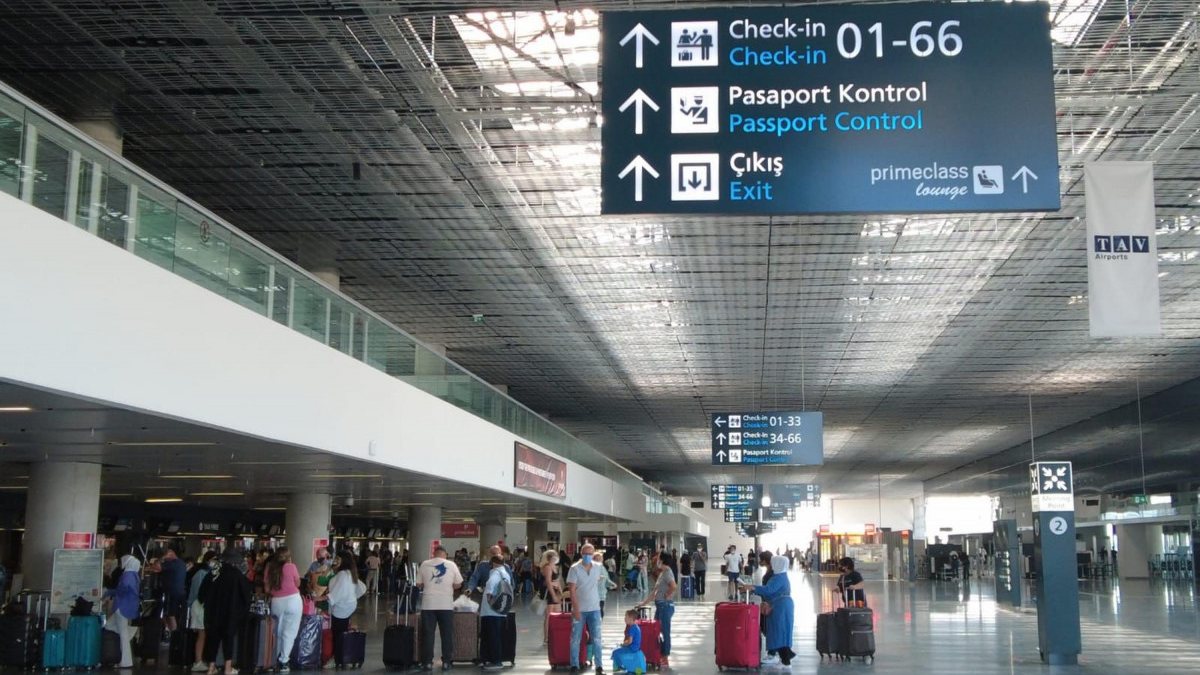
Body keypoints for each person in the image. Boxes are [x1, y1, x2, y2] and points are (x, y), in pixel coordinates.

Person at [204, 550, 252, 675]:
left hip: (213, 612)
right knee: (228, 640)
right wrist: (241, 612)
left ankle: (211, 667)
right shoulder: (237, 575)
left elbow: (202, 593)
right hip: (230, 613)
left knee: (213, 639)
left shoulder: (213, 573)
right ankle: (227, 668)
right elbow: (246, 596)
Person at [415, 546, 463, 671]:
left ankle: (427, 663)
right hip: (446, 605)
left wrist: (429, 584)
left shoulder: (425, 564)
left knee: (428, 634)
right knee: (446, 634)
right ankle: (446, 662)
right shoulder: (451, 564)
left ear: (434, 554)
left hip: (428, 605)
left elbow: (418, 583)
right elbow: (458, 584)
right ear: (445, 554)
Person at [743, 556, 795, 667]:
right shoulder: (781, 576)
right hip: (780, 605)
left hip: (780, 607)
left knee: (778, 631)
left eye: (773, 563)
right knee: (779, 631)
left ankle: (783, 659)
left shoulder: (778, 578)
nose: (772, 565)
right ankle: (785, 656)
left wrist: (753, 588)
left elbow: (769, 590)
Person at [567, 544, 605, 674]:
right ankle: (574, 665)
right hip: (580, 609)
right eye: (585, 553)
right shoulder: (574, 569)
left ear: (593, 554)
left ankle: (599, 666)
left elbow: (598, 580)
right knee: (575, 638)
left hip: (595, 608)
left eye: (590, 553)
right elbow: (572, 590)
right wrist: (575, 609)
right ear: (581, 553)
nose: (587, 556)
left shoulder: (598, 567)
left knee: (597, 638)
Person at [265, 547, 303, 673]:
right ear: (288, 556)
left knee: (277, 632)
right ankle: (284, 662)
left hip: (276, 602)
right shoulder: (291, 567)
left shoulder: (269, 568)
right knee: (289, 633)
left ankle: (273, 660)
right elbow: (298, 584)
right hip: (293, 601)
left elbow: (267, 589)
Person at [327, 551, 366, 668]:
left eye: (338, 559)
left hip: (341, 608)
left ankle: (337, 658)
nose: (335, 561)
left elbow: (337, 593)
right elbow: (361, 587)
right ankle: (343, 657)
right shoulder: (350, 572)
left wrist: (323, 598)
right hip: (348, 606)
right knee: (342, 631)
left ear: (343, 561)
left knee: (337, 634)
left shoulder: (343, 574)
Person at [103, 555, 142, 669]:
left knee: (121, 632)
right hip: (129, 606)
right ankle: (130, 633)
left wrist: (110, 592)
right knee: (110, 626)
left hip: (121, 606)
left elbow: (123, 587)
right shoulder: (135, 575)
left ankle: (125, 661)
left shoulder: (127, 575)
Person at [640, 553, 676, 669]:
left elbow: (673, 586)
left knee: (665, 631)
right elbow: (654, 592)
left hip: (665, 606)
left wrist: (667, 595)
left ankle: (665, 657)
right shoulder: (662, 573)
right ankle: (659, 653)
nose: (656, 562)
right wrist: (644, 603)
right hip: (660, 606)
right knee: (655, 630)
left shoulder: (668, 572)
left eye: (658, 560)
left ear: (662, 561)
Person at [479, 555, 512, 672]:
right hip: (501, 610)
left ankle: (495, 661)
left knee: (491, 637)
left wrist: (489, 600)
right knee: (497, 636)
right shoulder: (506, 574)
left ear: (493, 563)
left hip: (490, 611)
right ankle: (493, 659)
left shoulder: (495, 573)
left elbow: (490, 587)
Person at [187, 552, 218, 672]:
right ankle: (198, 661)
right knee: (202, 634)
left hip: (203, 606)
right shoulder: (202, 573)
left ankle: (200, 660)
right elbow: (197, 593)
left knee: (203, 634)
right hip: (200, 606)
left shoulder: (208, 573)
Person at [159, 547, 188, 633]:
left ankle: (171, 632)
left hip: (172, 593)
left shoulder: (174, 564)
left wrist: (162, 558)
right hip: (179, 592)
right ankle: (170, 631)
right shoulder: (181, 563)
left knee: (170, 613)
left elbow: (157, 567)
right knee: (170, 613)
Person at [538, 550, 563, 645]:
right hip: (549, 593)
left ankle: (555, 635)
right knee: (549, 616)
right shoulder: (547, 567)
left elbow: (557, 581)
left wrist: (561, 593)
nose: (555, 558)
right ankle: (547, 637)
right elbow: (548, 582)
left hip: (556, 592)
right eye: (553, 556)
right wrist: (553, 595)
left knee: (557, 614)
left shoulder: (555, 567)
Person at [610, 609, 645, 675]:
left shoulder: (632, 628)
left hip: (632, 649)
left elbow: (630, 641)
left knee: (615, 652)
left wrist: (624, 644)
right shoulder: (637, 627)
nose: (624, 619)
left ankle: (620, 667)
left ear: (631, 619)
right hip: (636, 648)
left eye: (626, 617)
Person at [594, 552, 617, 618]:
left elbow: (606, 579)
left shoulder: (603, 568)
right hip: (593, 594)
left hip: (602, 594)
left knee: (600, 609)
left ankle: (599, 622)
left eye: (600, 558)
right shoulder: (591, 568)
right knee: (596, 611)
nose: (599, 560)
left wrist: (613, 584)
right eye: (597, 559)